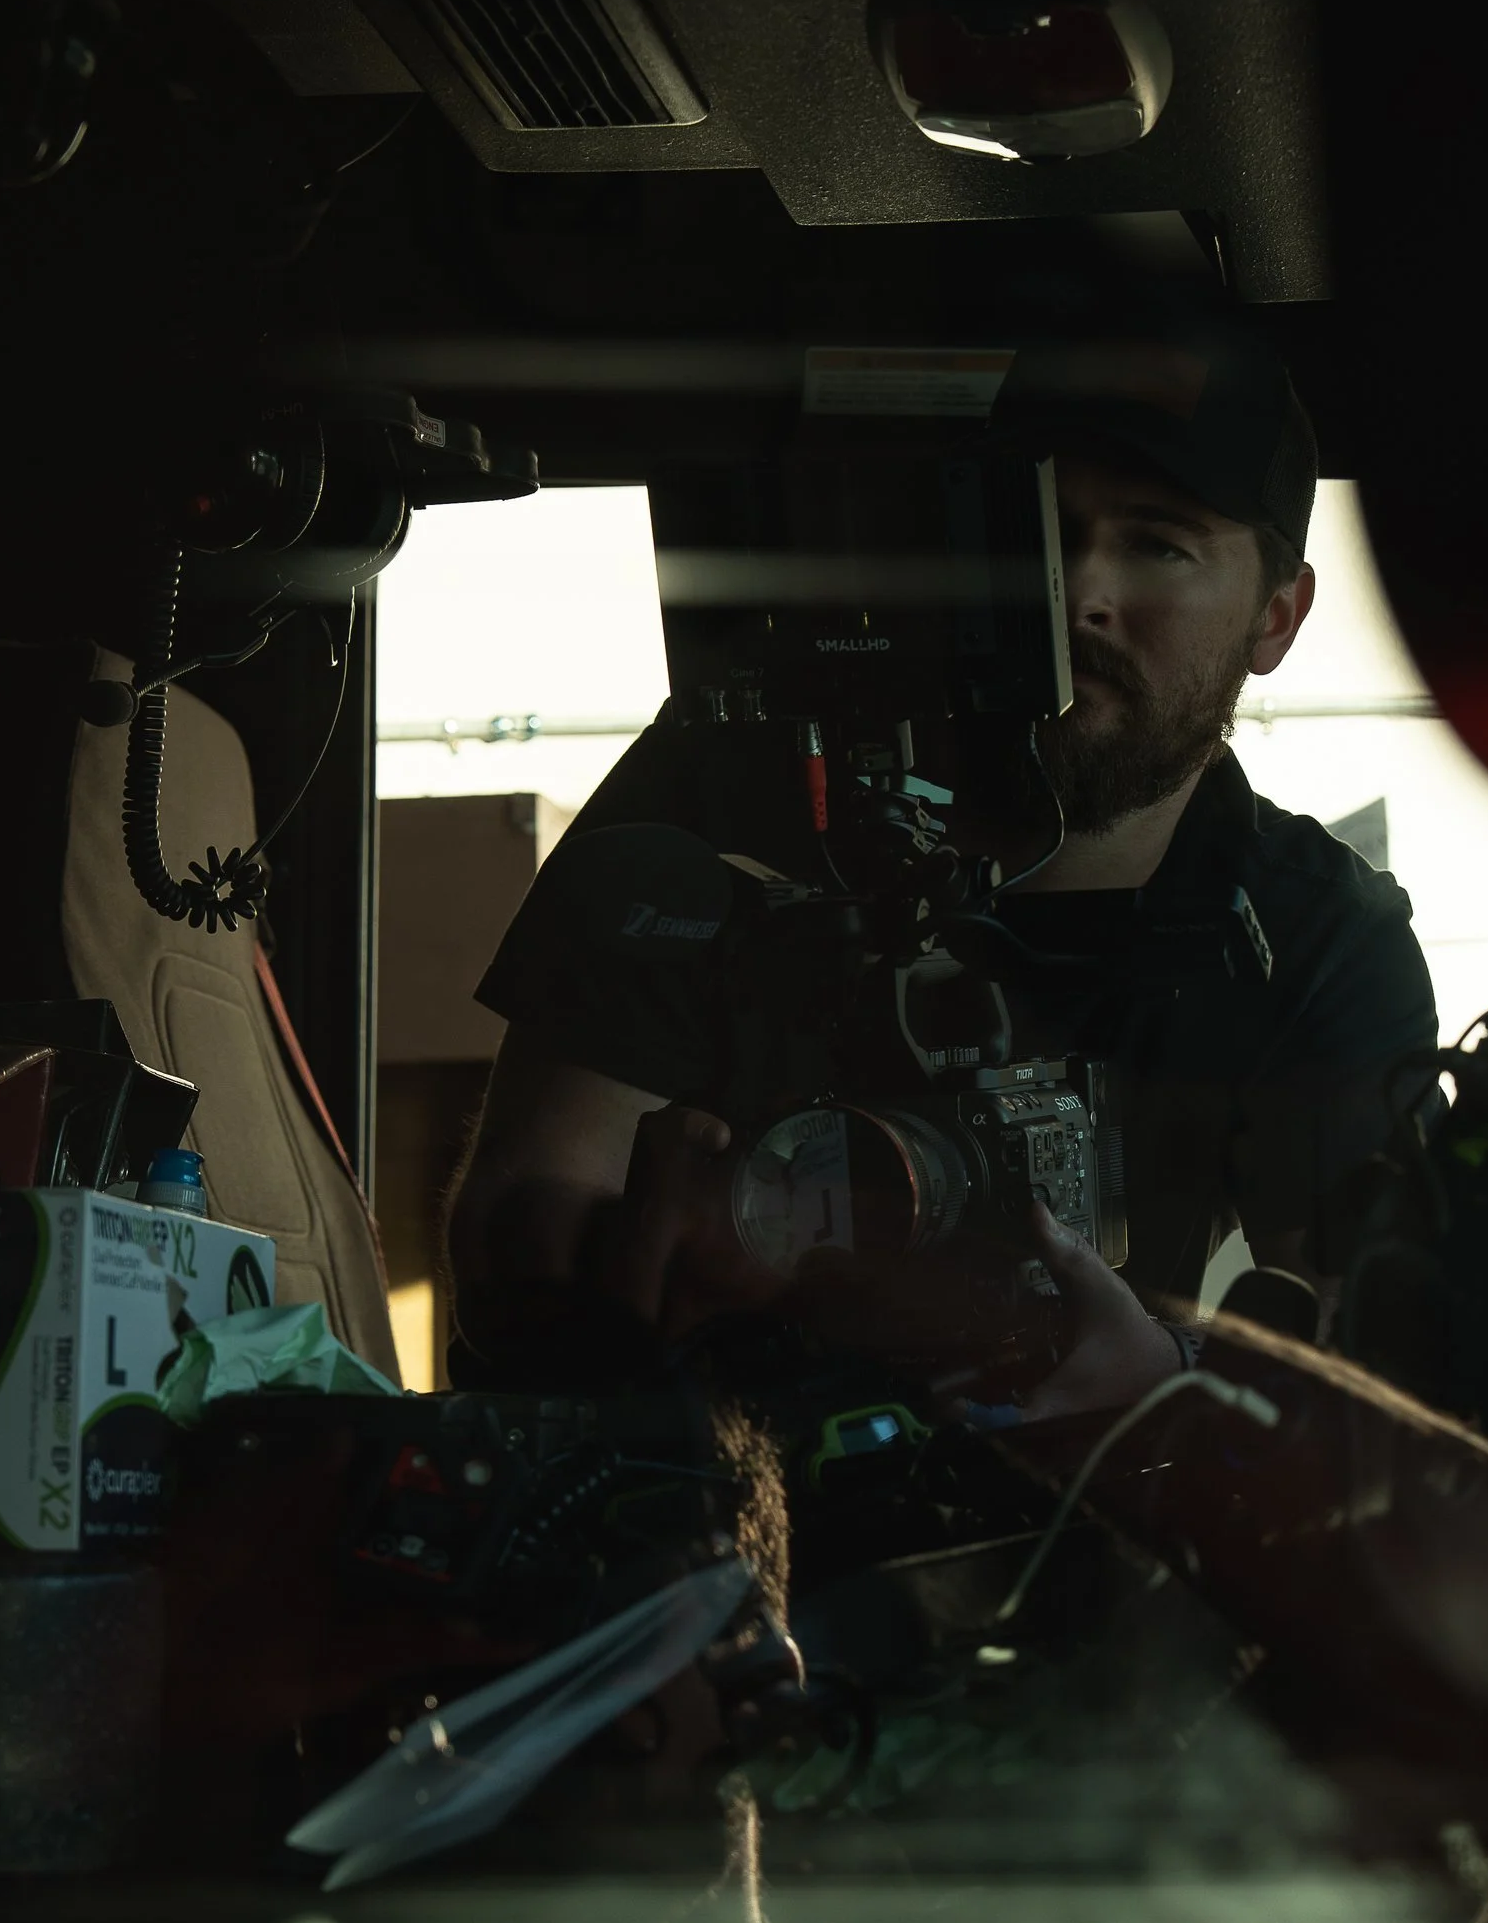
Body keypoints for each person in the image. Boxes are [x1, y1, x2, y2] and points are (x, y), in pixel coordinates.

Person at [446, 303, 1437, 1413]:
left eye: (1157, 543)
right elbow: (525, 1220)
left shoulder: (1305, 928)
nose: (1080, 598)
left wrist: (1165, 1377)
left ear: (1277, 617)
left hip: (1077, 1511)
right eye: (1041, 535)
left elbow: (1360, 1357)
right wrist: (655, 1264)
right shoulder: (735, 785)